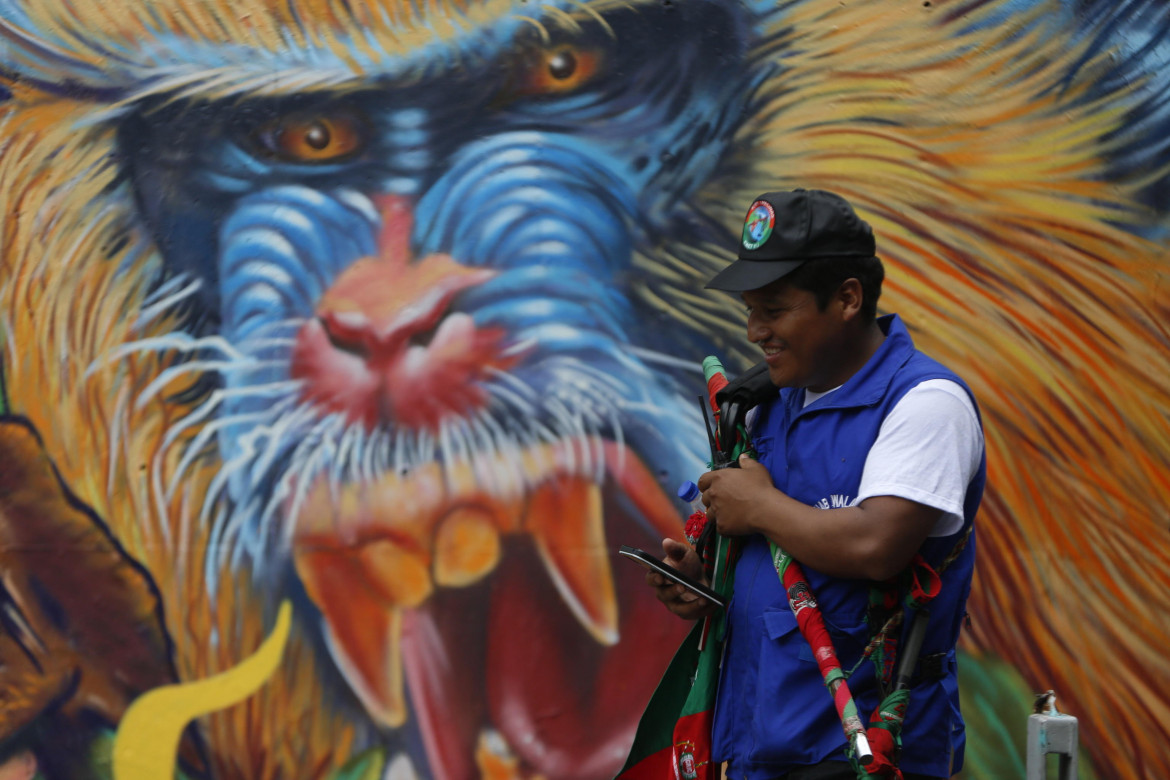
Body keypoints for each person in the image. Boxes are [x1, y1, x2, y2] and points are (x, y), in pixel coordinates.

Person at [646, 189, 985, 780]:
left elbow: (876, 546)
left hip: (866, 753)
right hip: (756, 745)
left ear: (847, 298)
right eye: (750, 310)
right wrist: (705, 585)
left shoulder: (926, 403)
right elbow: (773, 559)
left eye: (774, 310)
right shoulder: (762, 408)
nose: (755, 331)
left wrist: (760, 506)